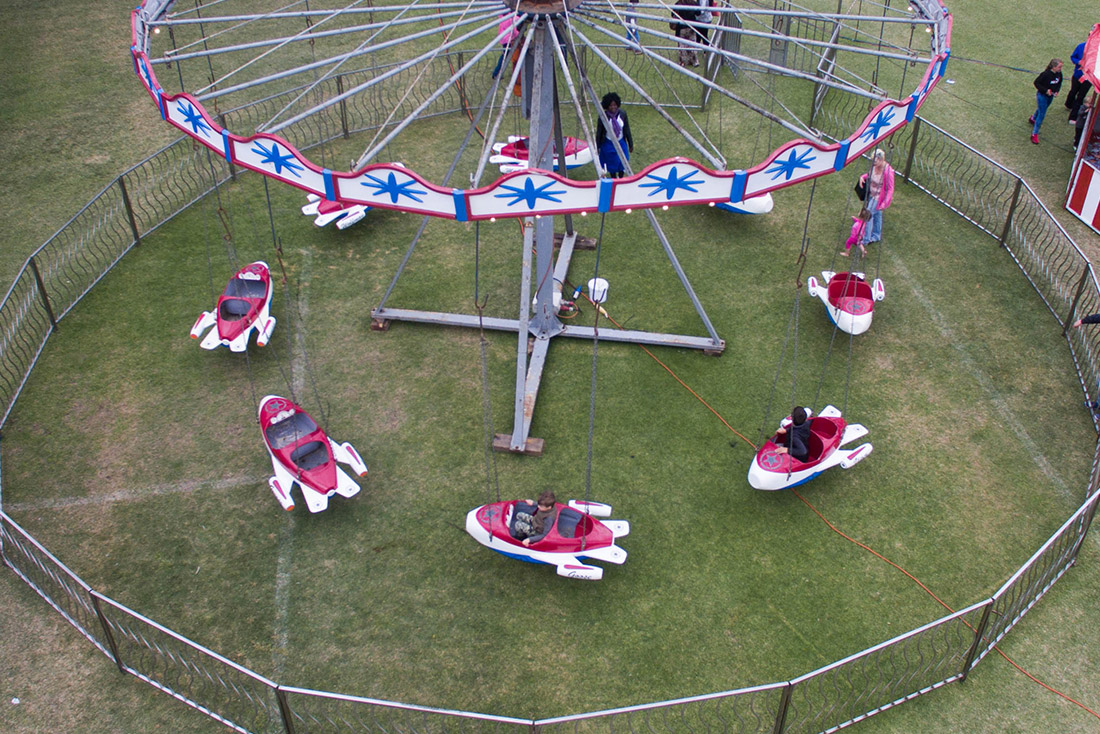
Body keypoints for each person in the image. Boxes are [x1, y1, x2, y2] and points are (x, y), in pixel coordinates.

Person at [858, 149, 895, 248]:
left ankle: (866, 239)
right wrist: (863, 177)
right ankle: (876, 235)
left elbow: (890, 189)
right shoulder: (875, 166)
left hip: (878, 197)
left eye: (875, 161)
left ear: (881, 159)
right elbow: (870, 174)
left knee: (868, 215)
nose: (873, 163)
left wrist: (884, 203)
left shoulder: (888, 172)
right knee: (877, 215)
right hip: (871, 194)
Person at [596, 92, 633, 179]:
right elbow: (599, 132)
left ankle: (621, 176)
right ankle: (613, 177)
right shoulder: (603, 117)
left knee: (623, 161)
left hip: (621, 142)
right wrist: (598, 146)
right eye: (611, 105)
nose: (613, 107)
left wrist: (630, 144)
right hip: (609, 144)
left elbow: (627, 129)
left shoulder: (622, 114)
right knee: (611, 162)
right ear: (607, 106)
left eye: (615, 105)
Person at [1029, 58, 1063, 145]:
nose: (1060, 69)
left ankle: (1033, 118)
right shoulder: (1045, 74)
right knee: (1042, 114)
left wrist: (1056, 91)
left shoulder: (1059, 74)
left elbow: (1059, 83)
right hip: (1042, 96)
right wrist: (1045, 90)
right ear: (1054, 67)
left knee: (1042, 108)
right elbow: (1036, 83)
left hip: (1050, 96)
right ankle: (1034, 134)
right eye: (1059, 67)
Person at [1066, 40, 1092, 124]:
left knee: (1080, 97)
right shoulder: (1081, 46)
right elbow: (1073, 57)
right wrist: (1079, 62)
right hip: (1078, 75)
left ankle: (1073, 117)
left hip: (1088, 78)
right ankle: (1069, 104)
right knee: (1073, 91)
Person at [670, 0, 700, 67]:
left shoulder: (678, 4)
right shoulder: (693, 3)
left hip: (681, 27)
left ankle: (682, 62)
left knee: (682, 45)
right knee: (692, 43)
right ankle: (694, 61)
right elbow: (698, 12)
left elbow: (672, 14)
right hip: (691, 27)